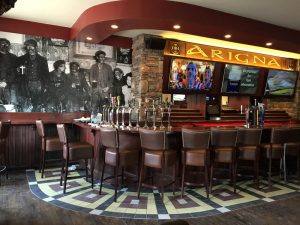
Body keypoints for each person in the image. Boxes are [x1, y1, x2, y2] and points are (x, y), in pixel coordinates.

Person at [16, 39, 49, 111]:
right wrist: (18, 71)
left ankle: (36, 116)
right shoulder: (21, 59)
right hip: (26, 84)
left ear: (36, 48)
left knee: (37, 103)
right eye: (28, 47)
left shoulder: (43, 60)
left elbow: (46, 74)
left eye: (32, 47)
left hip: (38, 84)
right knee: (26, 103)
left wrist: (46, 86)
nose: (30, 49)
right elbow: (19, 74)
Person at [0, 38, 17, 105]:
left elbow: (15, 72)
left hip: (10, 85)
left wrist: (6, 81)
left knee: (11, 105)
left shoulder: (14, 57)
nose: (5, 46)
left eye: (7, 45)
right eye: (3, 44)